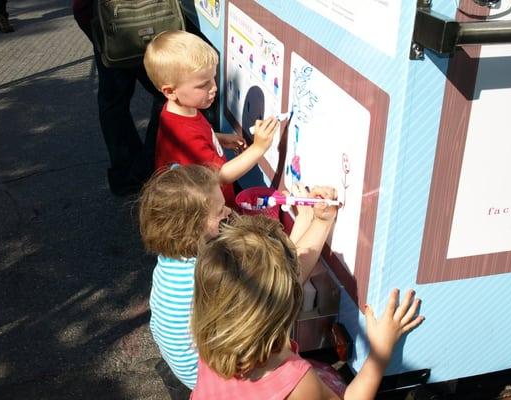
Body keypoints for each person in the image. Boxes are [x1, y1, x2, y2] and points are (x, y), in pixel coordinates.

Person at [138, 164, 339, 390]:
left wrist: (303, 221)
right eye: (220, 211)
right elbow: (286, 278)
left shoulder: (172, 254)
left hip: (189, 365)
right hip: (219, 376)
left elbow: (278, 267)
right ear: (193, 228)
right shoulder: (213, 269)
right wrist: (321, 222)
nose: (227, 212)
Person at [190, 215, 425, 400]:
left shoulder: (213, 341)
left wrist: (318, 222)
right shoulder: (298, 382)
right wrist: (380, 352)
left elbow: (264, 287)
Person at [143, 30, 279, 207]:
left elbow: (197, 135)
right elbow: (220, 176)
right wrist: (259, 148)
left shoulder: (182, 109)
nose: (214, 87)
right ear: (170, 91)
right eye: (203, 84)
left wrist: (218, 138)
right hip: (205, 213)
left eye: (212, 78)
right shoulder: (183, 132)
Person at [71, 0, 164, 196]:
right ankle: (148, 167)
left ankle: (128, 173)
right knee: (168, 93)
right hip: (144, 21)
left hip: (105, 24)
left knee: (113, 102)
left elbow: (81, 9)